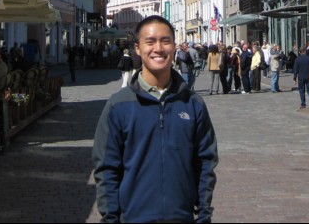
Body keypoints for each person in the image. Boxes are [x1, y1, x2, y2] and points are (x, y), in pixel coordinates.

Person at [93, 15, 218, 223]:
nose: (158, 48)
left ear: (174, 47)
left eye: (165, 41)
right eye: (150, 42)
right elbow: (106, 168)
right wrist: (110, 218)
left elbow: (205, 161)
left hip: (181, 217)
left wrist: (204, 214)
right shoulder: (119, 105)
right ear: (138, 48)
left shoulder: (192, 103)